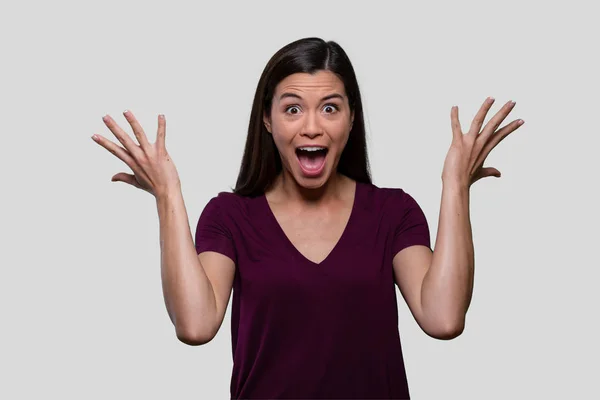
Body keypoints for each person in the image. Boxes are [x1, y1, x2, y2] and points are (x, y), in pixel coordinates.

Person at [92, 37, 524, 399]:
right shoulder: (230, 217)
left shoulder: (393, 212)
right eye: (293, 109)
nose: (312, 127)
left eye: (330, 108)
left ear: (352, 119)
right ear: (267, 119)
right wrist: (167, 195)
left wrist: (455, 186)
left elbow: (444, 317)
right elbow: (195, 324)